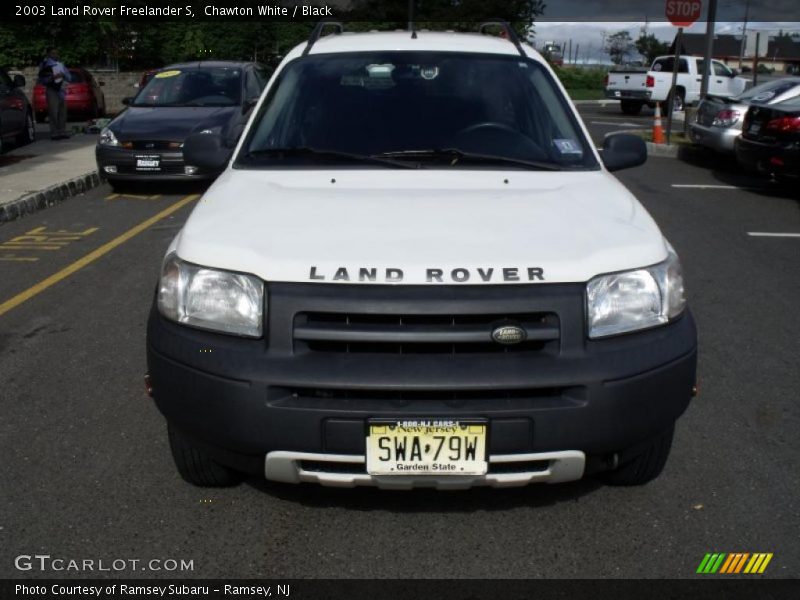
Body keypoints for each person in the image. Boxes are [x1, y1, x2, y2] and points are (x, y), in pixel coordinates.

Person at [37, 47, 71, 140]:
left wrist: (63, 75)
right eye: (53, 53)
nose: (55, 55)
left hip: (61, 89)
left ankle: (62, 131)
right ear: (48, 54)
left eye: (56, 53)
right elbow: (41, 79)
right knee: (53, 112)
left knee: (63, 112)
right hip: (51, 89)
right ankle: (54, 133)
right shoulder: (44, 64)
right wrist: (51, 78)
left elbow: (69, 77)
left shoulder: (61, 64)